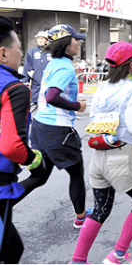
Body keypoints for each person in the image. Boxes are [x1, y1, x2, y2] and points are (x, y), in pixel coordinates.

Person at [69, 42, 132, 265]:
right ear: (130, 64)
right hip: (122, 154)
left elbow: (96, 120)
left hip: (99, 154)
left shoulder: (103, 88)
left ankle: (78, 261)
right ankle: (118, 254)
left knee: (100, 209)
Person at [16, 24, 91, 228]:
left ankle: (4, 202)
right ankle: (81, 216)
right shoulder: (65, 67)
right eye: (76, 39)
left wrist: (71, 98)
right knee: (76, 173)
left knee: (39, 176)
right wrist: (78, 106)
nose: (79, 42)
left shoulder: (54, 62)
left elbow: (53, 92)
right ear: (67, 44)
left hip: (40, 126)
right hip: (58, 130)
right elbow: (52, 96)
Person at [0, 16, 44, 263]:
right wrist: (34, 160)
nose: (20, 53)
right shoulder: (14, 88)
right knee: (9, 251)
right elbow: (11, 145)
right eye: (18, 47)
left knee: (12, 248)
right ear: (4, 53)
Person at [22, 30, 51, 114]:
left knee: (48, 104)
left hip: (49, 83)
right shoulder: (31, 52)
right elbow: (27, 67)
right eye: (39, 38)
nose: (40, 40)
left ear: (46, 40)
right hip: (36, 84)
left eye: (42, 39)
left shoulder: (51, 51)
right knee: (34, 105)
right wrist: (25, 82)